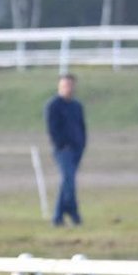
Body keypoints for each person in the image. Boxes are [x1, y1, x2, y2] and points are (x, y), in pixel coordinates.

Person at [44, 73, 86, 226]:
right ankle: (71, 212)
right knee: (68, 179)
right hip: (63, 150)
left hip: (77, 148)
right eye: (65, 85)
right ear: (59, 87)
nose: (68, 88)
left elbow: (82, 126)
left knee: (68, 182)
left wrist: (82, 144)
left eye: (70, 85)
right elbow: (52, 129)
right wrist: (61, 144)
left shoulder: (77, 106)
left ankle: (60, 216)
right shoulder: (53, 105)